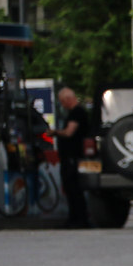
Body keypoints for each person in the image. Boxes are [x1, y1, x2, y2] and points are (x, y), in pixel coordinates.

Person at [55, 87, 90, 228]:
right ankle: (78, 217)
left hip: (72, 157)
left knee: (73, 188)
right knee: (73, 188)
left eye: (62, 102)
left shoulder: (76, 113)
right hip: (72, 156)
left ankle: (77, 218)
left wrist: (55, 132)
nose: (62, 105)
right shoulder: (79, 112)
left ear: (67, 99)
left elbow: (69, 132)